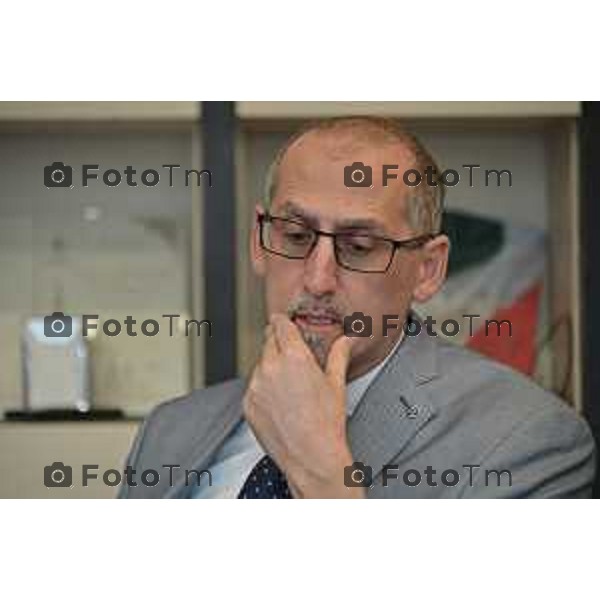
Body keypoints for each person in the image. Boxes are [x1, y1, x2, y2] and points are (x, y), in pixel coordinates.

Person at [119, 116, 595, 499]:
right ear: (260, 242)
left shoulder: (528, 440)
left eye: (360, 246)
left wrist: (321, 474)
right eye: (296, 236)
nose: (317, 278)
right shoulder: (168, 430)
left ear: (427, 269)